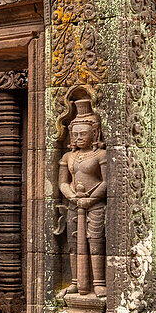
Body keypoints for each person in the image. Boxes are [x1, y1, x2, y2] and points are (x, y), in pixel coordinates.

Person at [58, 97, 107, 296]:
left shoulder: (100, 155)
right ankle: (76, 282)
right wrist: (72, 197)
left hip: (94, 204)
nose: (78, 137)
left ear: (94, 133)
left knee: (95, 243)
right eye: (75, 134)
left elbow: (107, 181)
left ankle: (99, 282)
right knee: (73, 244)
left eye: (83, 133)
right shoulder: (68, 157)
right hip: (74, 204)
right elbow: (62, 182)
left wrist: (90, 199)